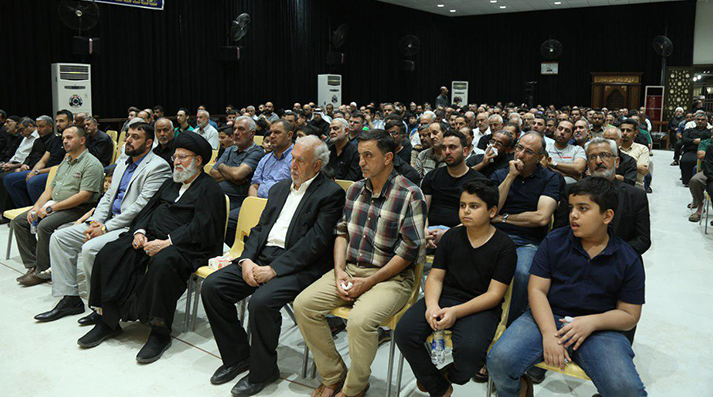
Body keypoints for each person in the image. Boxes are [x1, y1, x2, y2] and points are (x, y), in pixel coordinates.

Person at [202, 136, 344, 396]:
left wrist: (274, 269)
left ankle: (264, 370)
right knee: (213, 287)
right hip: (262, 257)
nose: (293, 165)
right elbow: (259, 229)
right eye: (293, 159)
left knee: (261, 302)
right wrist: (246, 260)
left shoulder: (330, 193)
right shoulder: (279, 189)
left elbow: (315, 243)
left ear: (317, 165)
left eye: (300, 161)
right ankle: (237, 356)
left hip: (300, 266)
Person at [294, 129, 426, 397]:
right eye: (360, 155)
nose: (361, 162)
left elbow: (408, 252)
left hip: (391, 278)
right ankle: (334, 375)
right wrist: (339, 271)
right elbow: (341, 233)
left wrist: (368, 282)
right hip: (352, 268)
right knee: (303, 305)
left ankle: (354, 387)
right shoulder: (355, 189)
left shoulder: (410, 194)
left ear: (388, 158)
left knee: (359, 321)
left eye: (368, 156)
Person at [487, 177, 647, 397]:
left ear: (607, 216)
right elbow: (537, 290)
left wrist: (592, 322)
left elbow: (629, 315)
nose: (573, 215)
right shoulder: (554, 241)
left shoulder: (628, 258)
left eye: (583, 209)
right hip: (548, 316)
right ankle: (519, 390)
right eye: (571, 208)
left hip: (600, 329)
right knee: (499, 361)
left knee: (627, 391)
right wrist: (548, 334)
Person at [80, 132, 227, 363]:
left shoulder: (209, 189)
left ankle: (160, 331)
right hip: (150, 237)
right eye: (175, 157)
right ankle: (107, 321)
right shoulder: (171, 183)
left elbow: (203, 227)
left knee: (163, 264)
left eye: (183, 157)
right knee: (110, 252)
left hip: (187, 246)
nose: (176, 162)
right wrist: (139, 231)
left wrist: (168, 242)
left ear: (198, 160)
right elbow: (147, 210)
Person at [33, 123, 171, 324]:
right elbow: (107, 196)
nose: (129, 140)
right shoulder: (123, 163)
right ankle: (70, 299)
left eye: (135, 137)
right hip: (106, 220)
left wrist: (106, 227)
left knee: (90, 248)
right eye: (128, 135)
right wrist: (95, 221)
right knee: (59, 238)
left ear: (149, 143)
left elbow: (141, 206)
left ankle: (98, 306)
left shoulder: (158, 166)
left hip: (131, 227)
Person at [396, 179, 516, 397]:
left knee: (470, 353)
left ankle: (449, 376)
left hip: (480, 306)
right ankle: (439, 388)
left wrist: (456, 312)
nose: (466, 211)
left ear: (492, 211)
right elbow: (435, 278)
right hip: (446, 297)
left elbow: (494, 295)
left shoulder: (505, 246)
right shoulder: (451, 237)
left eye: (474, 206)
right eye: (462, 205)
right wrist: (432, 306)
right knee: (404, 332)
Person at [12, 126, 105, 286]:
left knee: (45, 226)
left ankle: (43, 271)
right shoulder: (66, 161)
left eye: (69, 138)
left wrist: (50, 209)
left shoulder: (92, 164)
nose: (65, 141)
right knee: (20, 221)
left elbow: (84, 196)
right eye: (63, 138)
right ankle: (33, 265)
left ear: (82, 140)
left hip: (79, 208)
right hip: (56, 203)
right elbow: (51, 188)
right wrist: (36, 207)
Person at [490, 132, 561, 325]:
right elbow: (491, 209)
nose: (520, 155)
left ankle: (510, 323)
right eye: (519, 148)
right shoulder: (500, 174)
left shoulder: (550, 179)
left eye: (528, 152)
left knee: (522, 274)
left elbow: (541, 217)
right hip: (494, 236)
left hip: (527, 242)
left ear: (540, 158)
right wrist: (510, 177)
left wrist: (503, 218)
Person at [585, 138, 650, 255]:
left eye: (604, 155)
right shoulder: (573, 193)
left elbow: (643, 240)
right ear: (587, 164)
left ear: (617, 162)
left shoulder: (636, 196)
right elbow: (561, 232)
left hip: (621, 258)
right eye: (592, 157)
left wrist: (613, 255)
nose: (598, 161)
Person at [422, 130, 486, 249]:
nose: (447, 152)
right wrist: (424, 230)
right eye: (444, 148)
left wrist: (447, 234)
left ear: (465, 151)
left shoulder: (478, 181)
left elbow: (477, 218)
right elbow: (423, 210)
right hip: (430, 231)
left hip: (463, 232)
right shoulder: (431, 176)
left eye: (452, 147)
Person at [209, 116, 265, 245]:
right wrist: (231, 174)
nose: (235, 132)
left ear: (252, 133)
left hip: (237, 200)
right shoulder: (230, 149)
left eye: (241, 129)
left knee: (220, 218)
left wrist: (222, 167)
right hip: (219, 195)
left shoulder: (256, 152)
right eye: (234, 129)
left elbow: (238, 175)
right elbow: (212, 173)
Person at [249, 120, 294, 198]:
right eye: (271, 132)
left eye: (277, 132)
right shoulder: (265, 158)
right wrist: (255, 202)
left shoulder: (297, 158)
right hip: (258, 201)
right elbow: (254, 185)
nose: (272, 136)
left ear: (289, 135)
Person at [546, 120, 587, 185]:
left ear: (572, 136)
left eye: (567, 131)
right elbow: (541, 168)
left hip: (569, 187)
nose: (562, 132)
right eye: (560, 129)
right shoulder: (545, 147)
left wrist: (553, 164)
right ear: (555, 130)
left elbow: (578, 169)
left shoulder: (578, 150)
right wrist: (572, 174)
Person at [680, 111, 710, 186]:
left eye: (702, 120)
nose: (700, 121)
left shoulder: (709, 131)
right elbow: (684, 140)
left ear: (706, 121)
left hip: (703, 151)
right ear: (695, 121)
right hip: (690, 150)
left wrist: (700, 141)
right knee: (684, 161)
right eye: (698, 119)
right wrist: (694, 141)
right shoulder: (689, 130)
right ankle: (687, 181)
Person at [619, 119, 652, 187]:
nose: (624, 133)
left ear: (636, 132)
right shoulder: (614, 147)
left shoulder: (642, 149)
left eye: (628, 130)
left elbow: (642, 169)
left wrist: (617, 164)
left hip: (635, 185)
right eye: (622, 130)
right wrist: (633, 164)